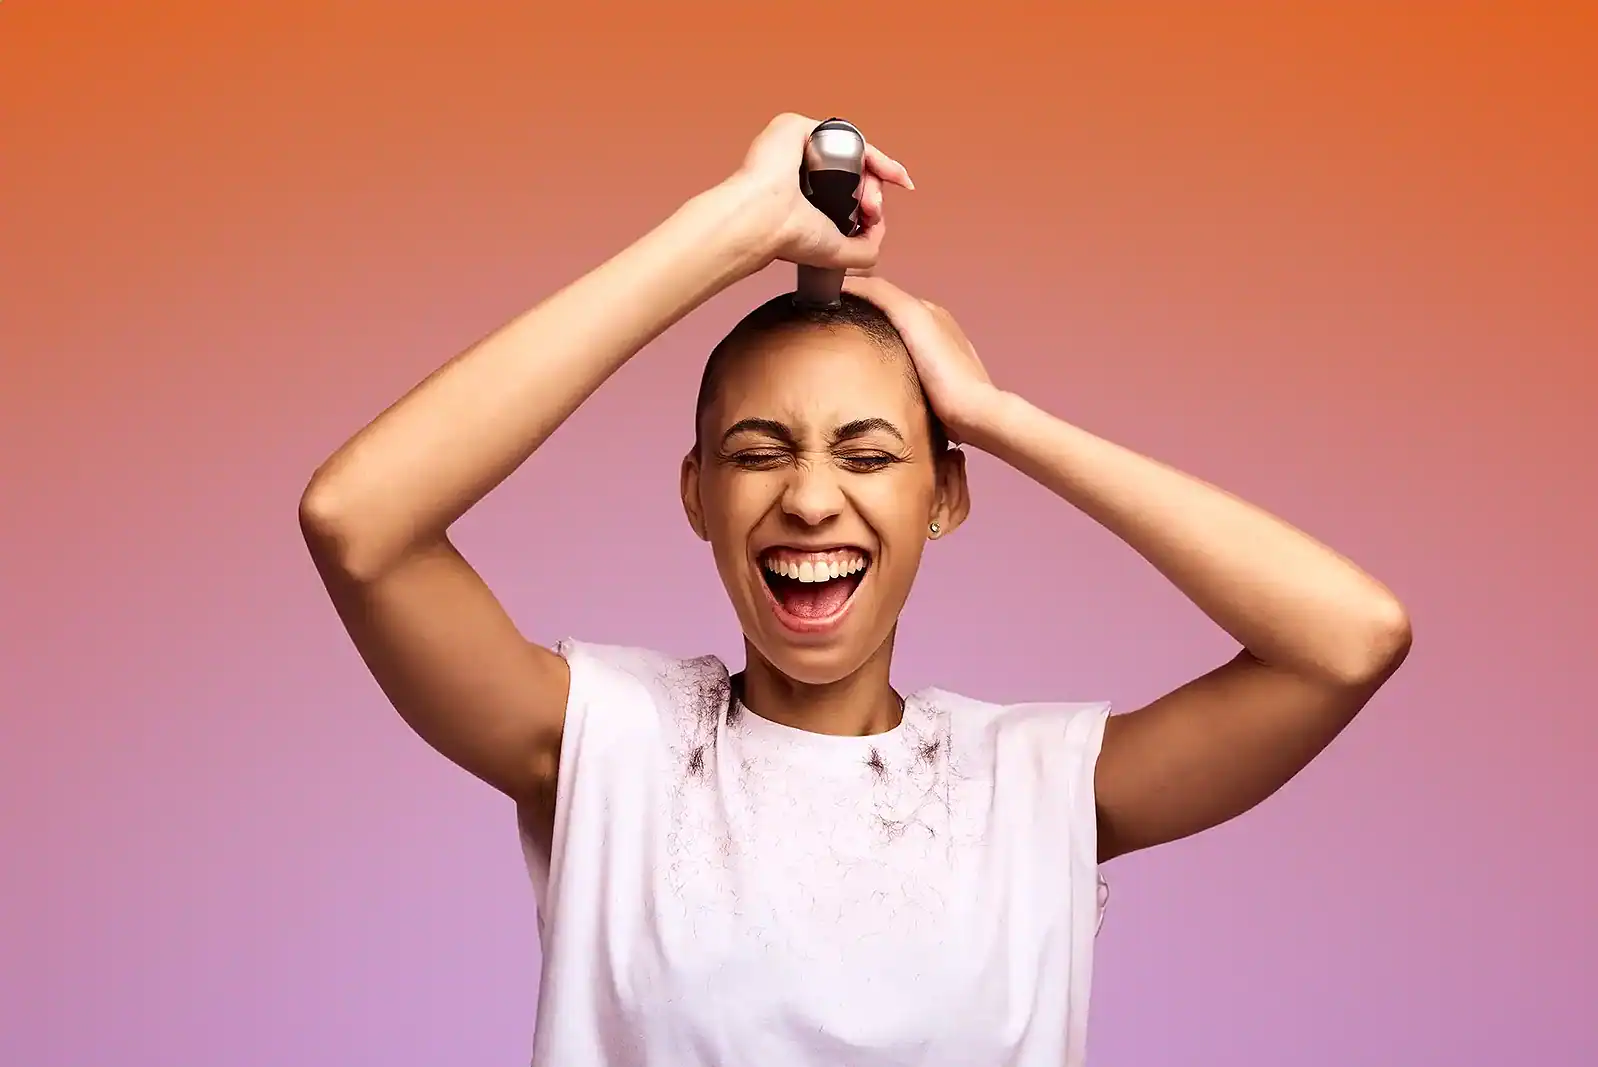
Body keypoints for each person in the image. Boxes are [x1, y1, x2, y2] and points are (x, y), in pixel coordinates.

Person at [299, 113, 1412, 1066]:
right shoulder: (613, 746)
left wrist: (995, 414)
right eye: (756, 450)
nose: (811, 499)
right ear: (695, 491)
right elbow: (360, 523)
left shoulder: (1029, 785)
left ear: (945, 495)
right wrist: (731, 228)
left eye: (870, 454)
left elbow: (1347, 637)